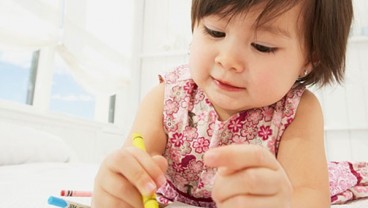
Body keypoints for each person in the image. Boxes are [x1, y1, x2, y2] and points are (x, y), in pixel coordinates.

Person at [92, 0, 353, 207]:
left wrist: (281, 204)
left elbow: (310, 195)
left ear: (310, 59)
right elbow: (135, 166)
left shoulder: (299, 110)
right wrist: (118, 188)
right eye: (215, 31)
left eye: (262, 46)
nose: (228, 60)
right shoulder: (165, 97)